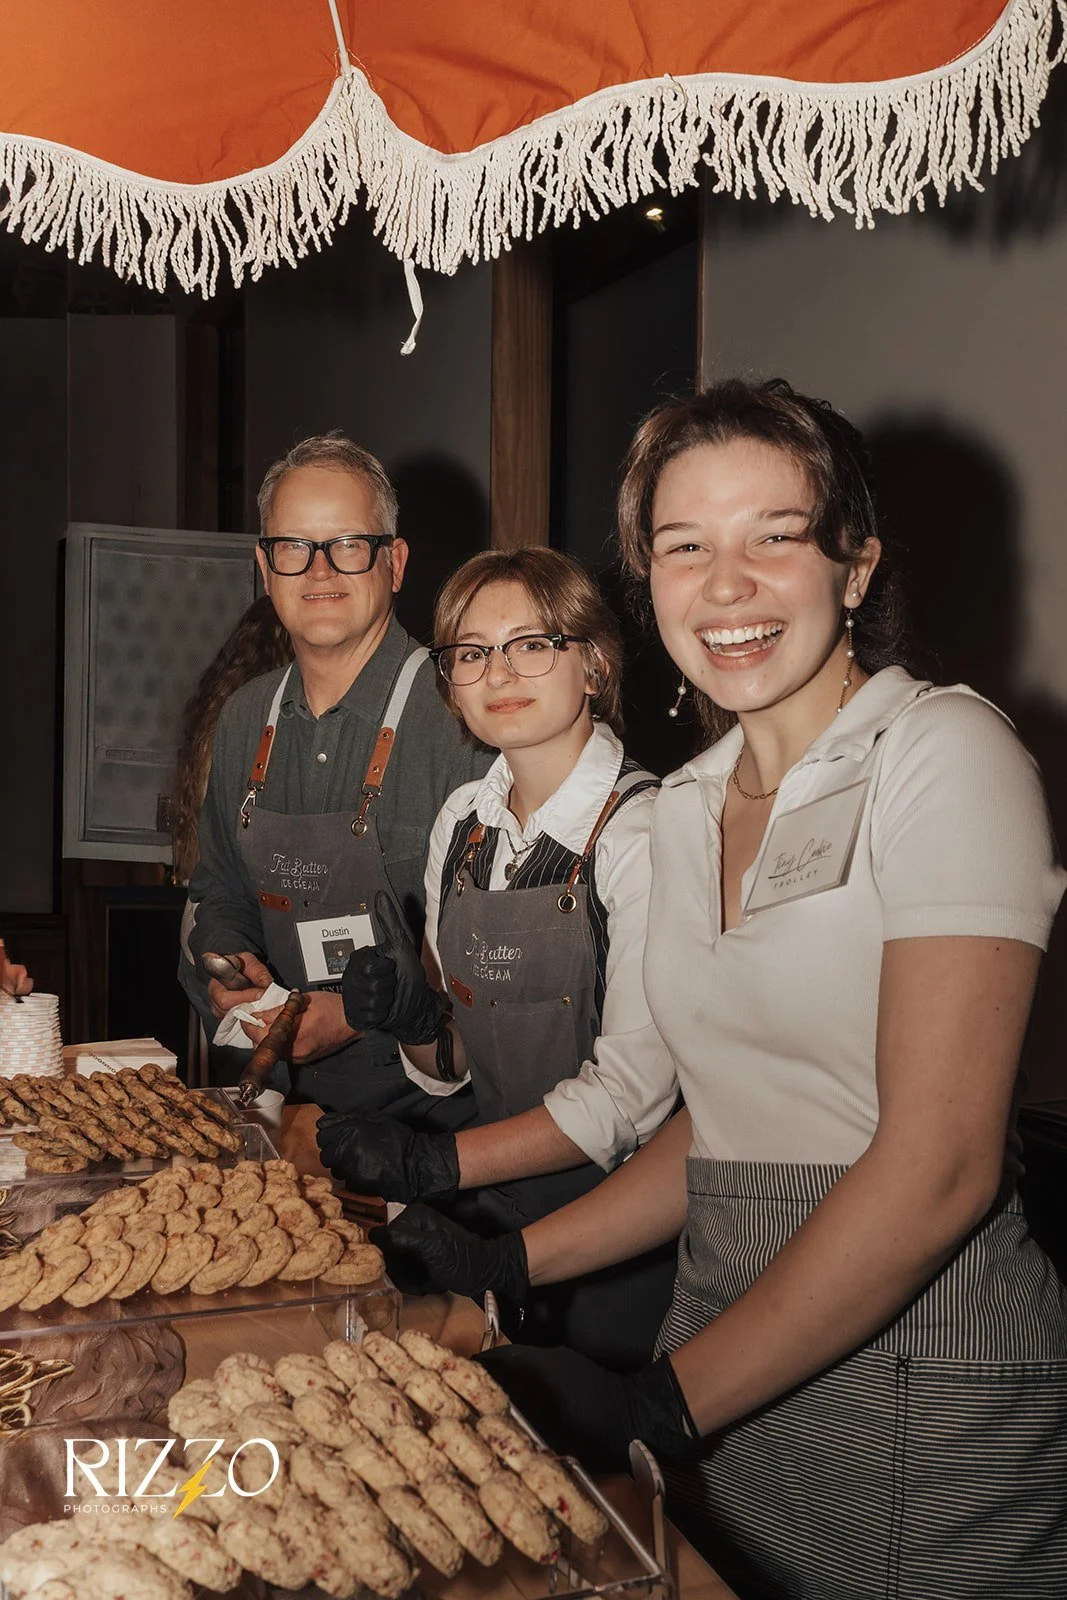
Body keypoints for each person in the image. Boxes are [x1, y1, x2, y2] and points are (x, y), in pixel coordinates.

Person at [369, 381, 1067, 1598]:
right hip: (718, 1337)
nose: (724, 583)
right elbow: (718, 1120)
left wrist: (657, 1400)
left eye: (773, 537)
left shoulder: (942, 753)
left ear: (853, 568)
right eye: (682, 546)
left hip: (912, 1354)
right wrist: (510, 1265)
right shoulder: (683, 807)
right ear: (646, 585)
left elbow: (942, 1163)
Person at [317, 549, 680, 1369]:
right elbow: (451, 1068)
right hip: (494, 1211)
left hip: (622, 1237)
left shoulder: (641, 834)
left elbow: (630, 1101)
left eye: (531, 644)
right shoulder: (463, 825)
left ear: (592, 665)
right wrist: (415, 1020)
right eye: (471, 652)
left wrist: (435, 1162)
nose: (499, 672)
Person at [186, 433, 490, 1124]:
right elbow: (222, 886)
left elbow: (495, 950)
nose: (319, 571)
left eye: (348, 544)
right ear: (265, 569)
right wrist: (227, 960)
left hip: (437, 1117)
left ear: (395, 563)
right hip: (282, 1109)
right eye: (294, 546)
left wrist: (354, 1018)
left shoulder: (459, 714)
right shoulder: (243, 719)